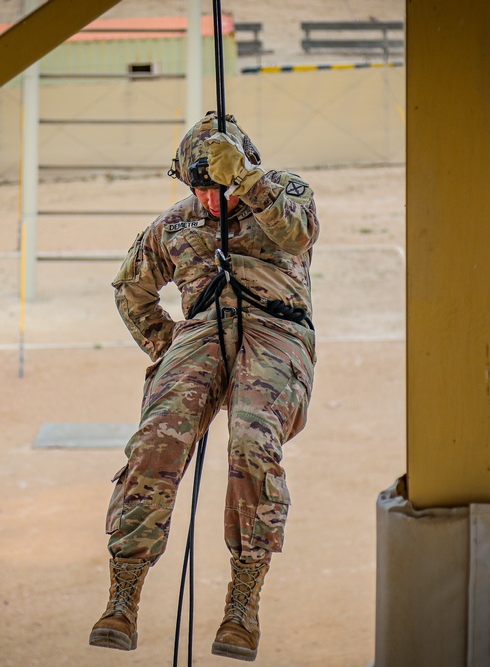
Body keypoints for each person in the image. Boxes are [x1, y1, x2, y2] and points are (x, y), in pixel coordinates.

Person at [89, 111, 318, 662]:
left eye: (220, 187)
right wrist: (167, 348)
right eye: (201, 189)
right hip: (202, 331)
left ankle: (243, 601)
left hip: (276, 331)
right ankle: (124, 593)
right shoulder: (175, 225)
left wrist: (248, 182)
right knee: (156, 440)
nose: (212, 201)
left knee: (252, 444)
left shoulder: (282, 193)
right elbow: (130, 287)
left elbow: (298, 232)